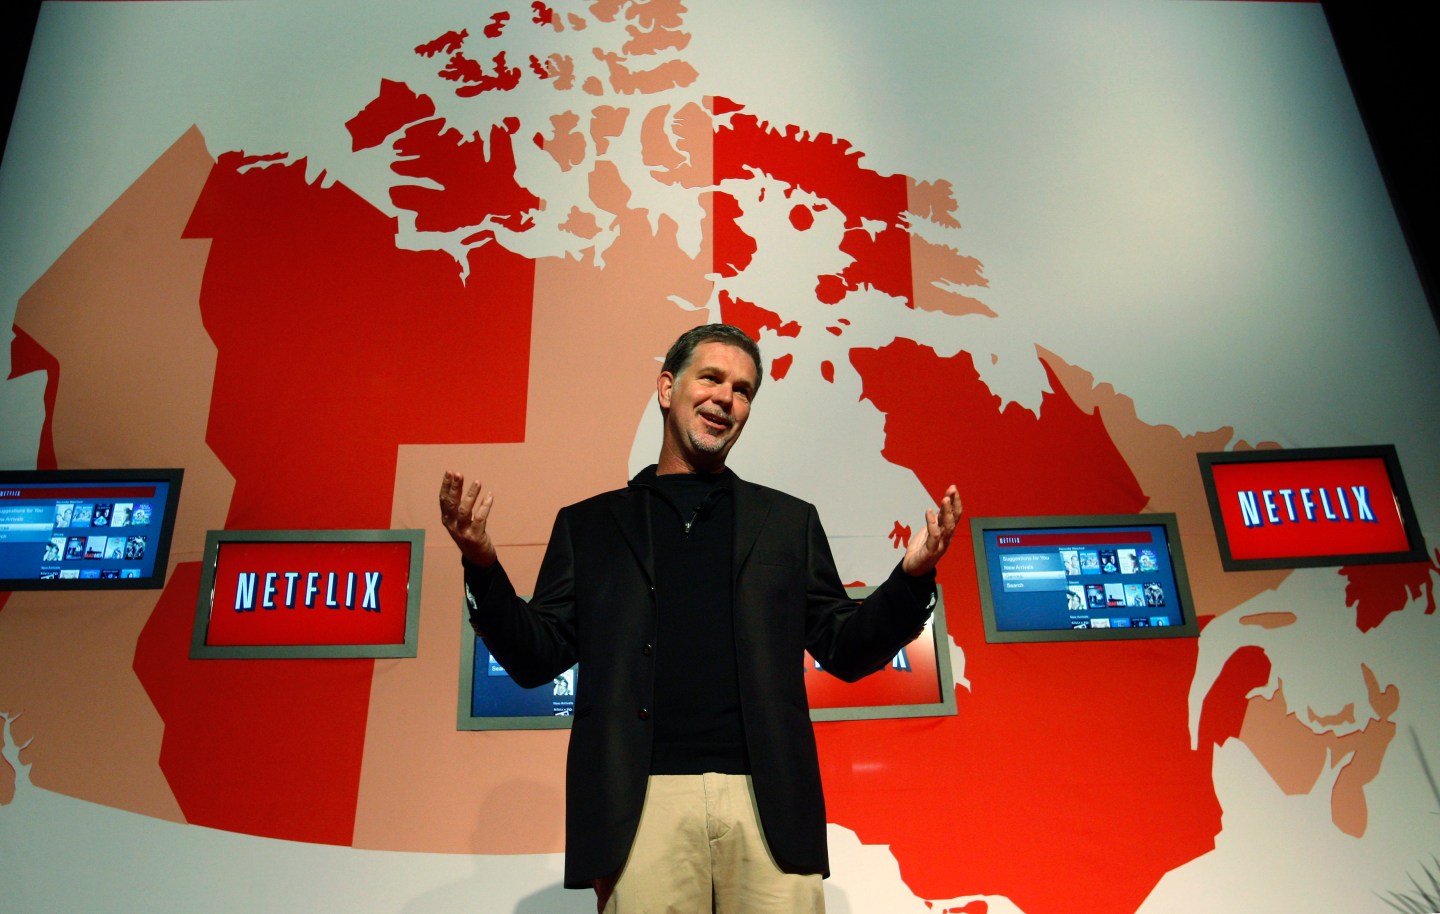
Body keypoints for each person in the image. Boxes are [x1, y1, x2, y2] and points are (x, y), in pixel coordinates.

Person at [439, 323, 961, 913]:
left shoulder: (788, 522)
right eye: (711, 378)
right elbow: (537, 657)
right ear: (667, 390)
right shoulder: (589, 527)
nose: (725, 398)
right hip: (638, 809)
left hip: (770, 808)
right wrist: (481, 565)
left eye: (742, 391)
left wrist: (912, 577)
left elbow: (847, 648)